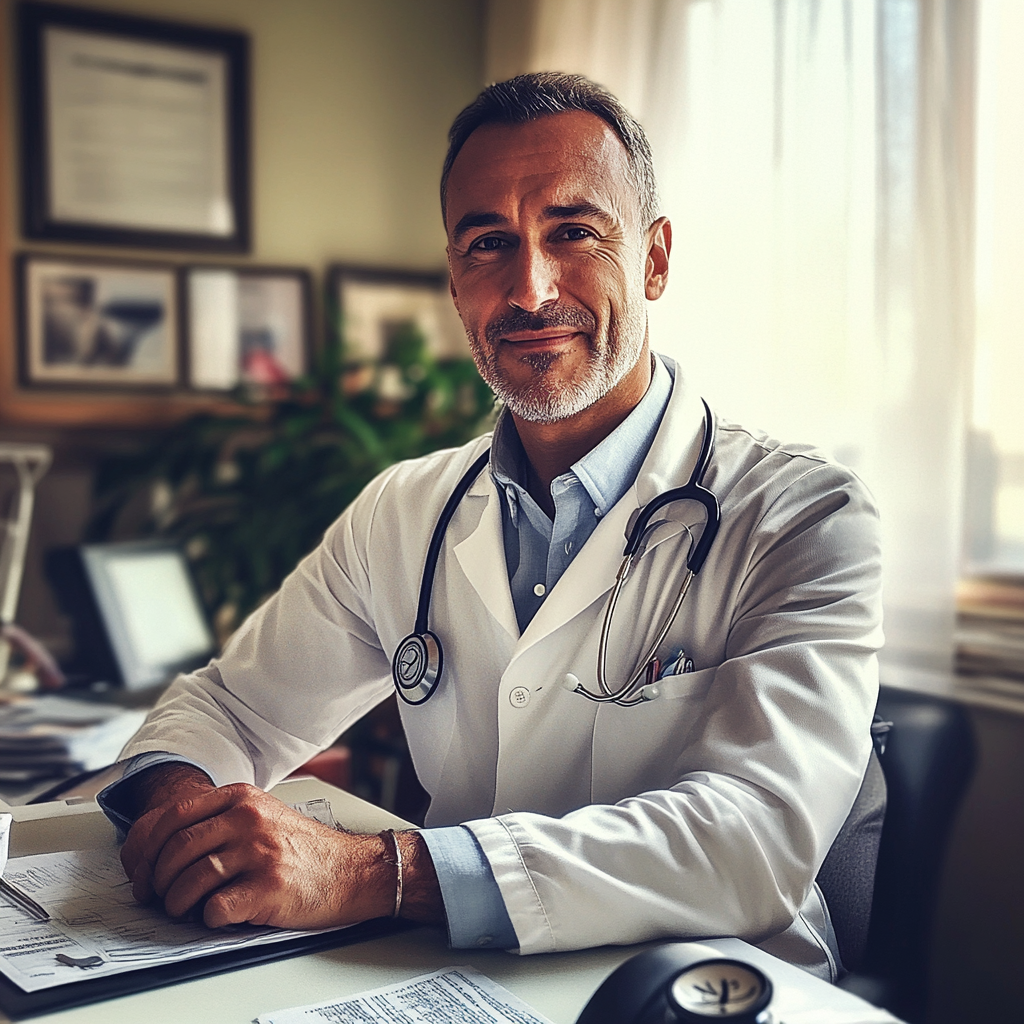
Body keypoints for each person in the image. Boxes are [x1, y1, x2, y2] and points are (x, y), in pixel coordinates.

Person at [99, 73, 882, 981]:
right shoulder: (403, 511)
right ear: (454, 279)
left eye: (574, 233)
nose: (530, 287)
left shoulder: (803, 516)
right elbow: (229, 709)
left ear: (656, 259)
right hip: (453, 978)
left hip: (706, 987)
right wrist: (184, 815)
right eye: (488, 244)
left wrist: (377, 874)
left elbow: (755, 836)